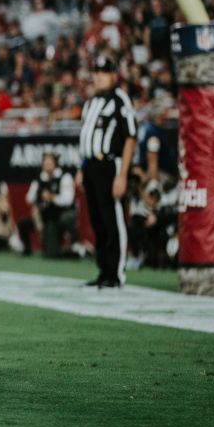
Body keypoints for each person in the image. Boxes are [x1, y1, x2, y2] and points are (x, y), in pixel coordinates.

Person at [77, 54, 139, 287]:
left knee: (112, 219)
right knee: (97, 220)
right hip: (91, 165)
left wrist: (122, 174)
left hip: (110, 165)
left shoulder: (120, 100)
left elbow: (130, 137)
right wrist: (81, 168)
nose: (99, 77)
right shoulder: (91, 102)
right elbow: (86, 137)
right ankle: (104, 270)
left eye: (104, 72)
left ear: (114, 75)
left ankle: (116, 273)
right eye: (96, 72)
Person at [27, 151, 78, 259]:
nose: (46, 164)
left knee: (68, 218)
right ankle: (64, 250)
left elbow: (67, 200)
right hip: (49, 217)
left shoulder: (65, 177)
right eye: (45, 162)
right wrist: (38, 193)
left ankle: (75, 243)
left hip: (62, 213)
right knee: (50, 254)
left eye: (49, 162)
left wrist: (52, 197)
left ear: (55, 163)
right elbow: (29, 198)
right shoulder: (40, 178)